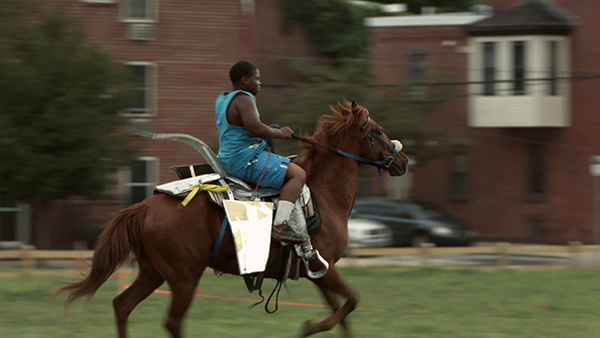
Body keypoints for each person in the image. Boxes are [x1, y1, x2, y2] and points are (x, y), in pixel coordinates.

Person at [215, 60, 307, 244]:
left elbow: (243, 127)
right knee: (298, 174)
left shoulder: (223, 99)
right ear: (245, 79)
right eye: (256, 78)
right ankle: (281, 225)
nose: (260, 82)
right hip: (245, 160)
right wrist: (279, 133)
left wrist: (268, 129)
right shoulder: (244, 99)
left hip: (227, 159)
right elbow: (255, 129)